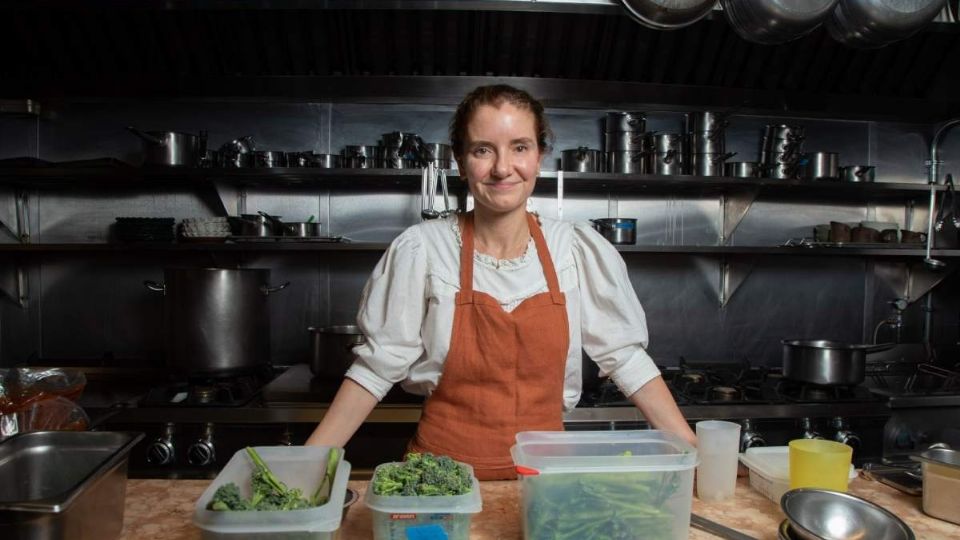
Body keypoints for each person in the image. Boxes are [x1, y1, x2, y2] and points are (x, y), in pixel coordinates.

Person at [306, 84, 696, 480]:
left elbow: (626, 358)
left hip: (546, 481)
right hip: (440, 482)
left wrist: (690, 447)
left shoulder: (573, 249)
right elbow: (375, 369)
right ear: (460, 162)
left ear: (539, 156)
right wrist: (309, 461)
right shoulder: (424, 249)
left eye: (520, 147)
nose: (502, 167)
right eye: (483, 150)